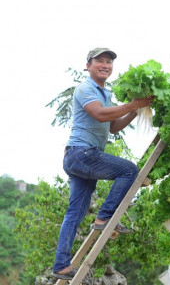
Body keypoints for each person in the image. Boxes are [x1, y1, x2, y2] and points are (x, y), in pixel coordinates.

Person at [52, 47, 153, 280]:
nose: (105, 65)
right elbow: (99, 114)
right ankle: (104, 217)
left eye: (109, 62)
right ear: (88, 65)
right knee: (129, 170)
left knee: (74, 214)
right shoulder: (85, 89)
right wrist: (131, 104)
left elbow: (111, 126)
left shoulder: (105, 93)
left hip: (82, 157)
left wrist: (133, 111)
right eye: (100, 61)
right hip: (81, 154)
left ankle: (61, 265)